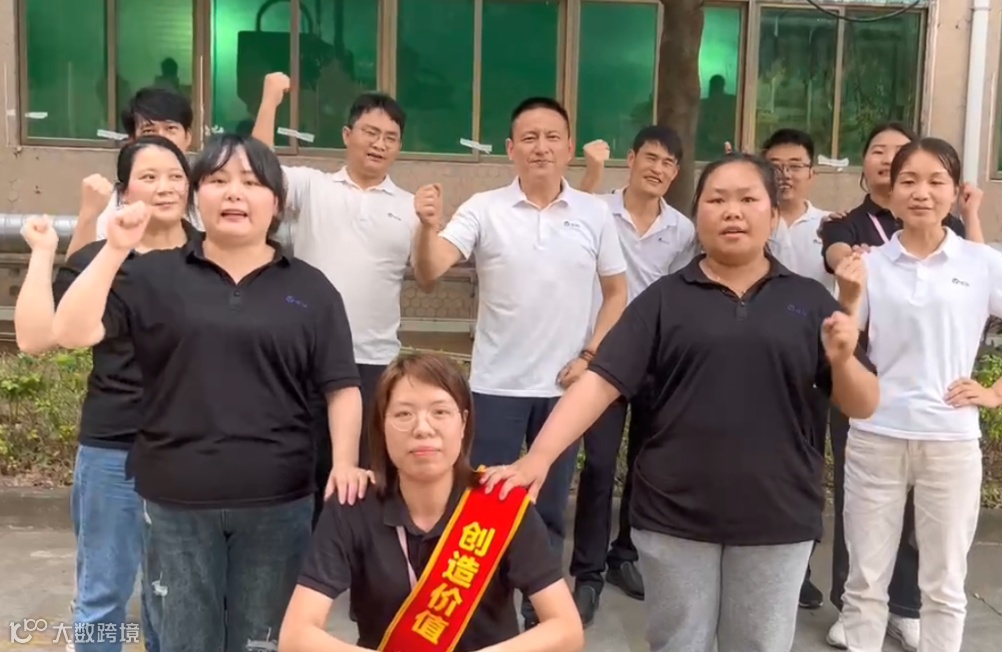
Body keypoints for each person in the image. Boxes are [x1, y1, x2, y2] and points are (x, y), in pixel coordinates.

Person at [484, 152, 880, 652]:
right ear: (697, 215)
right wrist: (539, 457)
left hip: (777, 517)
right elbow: (601, 382)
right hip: (674, 517)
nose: (732, 211)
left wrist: (843, 359)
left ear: (772, 214)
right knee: (677, 644)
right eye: (716, 200)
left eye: (748, 199)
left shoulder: (809, 301)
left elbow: (862, 403)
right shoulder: (663, 300)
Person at [50, 134, 369, 652]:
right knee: (184, 641)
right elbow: (70, 330)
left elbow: (341, 386)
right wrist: (114, 249)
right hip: (176, 501)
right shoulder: (153, 274)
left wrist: (346, 462)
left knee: (262, 641)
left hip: (279, 501)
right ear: (198, 196)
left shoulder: (311, 289)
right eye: (218, 180)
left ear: (276, 203)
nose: (234, 192)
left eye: (251, 182)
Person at [833, 138, 1002, 652]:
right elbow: (843, 346)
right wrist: (848, 297)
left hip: (950, 440)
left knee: (943, 586)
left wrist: (997, 391)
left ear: (955, 191)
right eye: (909, 181)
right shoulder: (869, 263)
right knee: (864, 584)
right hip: (876, 436)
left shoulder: (980, 262)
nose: (922, 192)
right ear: (891, 191)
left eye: (936, 181)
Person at [411, 96, 628, 628]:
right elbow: (430, 271)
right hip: (496, 386)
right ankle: (484, 610)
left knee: (550, 508)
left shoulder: (594, 213)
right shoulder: (484, 208)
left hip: (564, 389)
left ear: (569, 147)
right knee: (484, 505)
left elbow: (617, 293)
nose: (541, 147)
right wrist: (426, 226)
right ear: (510, 149)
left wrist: (591, 356)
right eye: (529, 138)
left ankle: (539, 613)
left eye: (552, 137)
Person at [14, 136, 196, 652]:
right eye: (149, 177)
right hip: (116, 447)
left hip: (195, 449)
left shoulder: (213, 256)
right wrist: (44, 254)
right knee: (103, 593)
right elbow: (36, 337)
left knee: (179, 597)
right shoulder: (99, 259)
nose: (165, 187)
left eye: (176, 176)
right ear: (124, 191)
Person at [279, 353, 584, 652]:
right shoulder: (353, 505)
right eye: (403, 414)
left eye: (439, 412)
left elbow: (566, 629)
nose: (422, 428)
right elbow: (296, 636)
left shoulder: (500, 503)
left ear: (463, 423)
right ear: (382, 426)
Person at [818, 121, 984, 651]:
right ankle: (855, 609)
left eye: (930, 178)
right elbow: (838, 265)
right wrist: (852, 278)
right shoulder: (848, 225)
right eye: (881, 153)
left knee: (928, 531)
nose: (891, 164)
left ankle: (906, 606)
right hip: (866, 391)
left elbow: (981, 282)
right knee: (863, 514)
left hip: (942, 423)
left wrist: (994, 390)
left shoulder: (949, 230)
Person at [253, 72, 429, 525]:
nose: (379, 144)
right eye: (370, 132)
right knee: (305, 465)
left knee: (365, 472)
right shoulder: (314, 187)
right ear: (348, 135)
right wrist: (270, 101)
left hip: (373, 358)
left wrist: (430, 226)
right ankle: (303, 553)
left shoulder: (409, 206)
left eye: (390, 137)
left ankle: (355, 552)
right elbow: (258, 169)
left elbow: (428, 273)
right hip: (307, 355)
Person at [570, 126, 697, 624]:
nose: (658, 169)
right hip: (603, 357)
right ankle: (587, 572)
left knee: (645, 467)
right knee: (600, 465)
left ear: (676, 172)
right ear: (632, 158)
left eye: (668, 163)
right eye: (651, 157)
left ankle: (624, 554)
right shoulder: (598, 208)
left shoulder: (682, 231)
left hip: (656, 361)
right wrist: (592, 170)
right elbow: (569, 217)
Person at [759, 127, 835, 611]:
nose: (785, 175)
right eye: (775, 167)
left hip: (811, 367)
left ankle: (799, 568)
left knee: (804, 466)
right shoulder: (753, 216)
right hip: (755, 362)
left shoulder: (831, 226)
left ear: (812, 173)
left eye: (795, 166)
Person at [67, 87, 200, 258]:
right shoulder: (113, 205)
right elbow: (77, 269)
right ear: (132, 139)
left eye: (171, 129)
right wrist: (89, 214)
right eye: (149, 131)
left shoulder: (208, 196)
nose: (161, 138)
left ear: (188, 137)